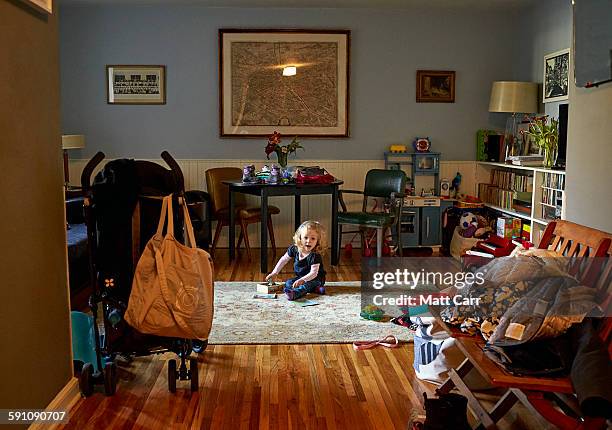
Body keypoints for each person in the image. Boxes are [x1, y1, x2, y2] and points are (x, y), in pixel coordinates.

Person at [265, 220, 327, 301]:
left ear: (317, 241)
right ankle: (316, 289)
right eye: (306, 237)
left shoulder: (315, 255)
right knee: (288, 283)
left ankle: (295, 294)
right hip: (300, 277)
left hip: (316, 279)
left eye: (313, 238)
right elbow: (284, 260)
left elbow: (313, 273)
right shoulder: (294, 249)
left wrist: (302, 280)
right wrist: (274, 272)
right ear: (300, 237)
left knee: (306, 285)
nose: (308, 241)